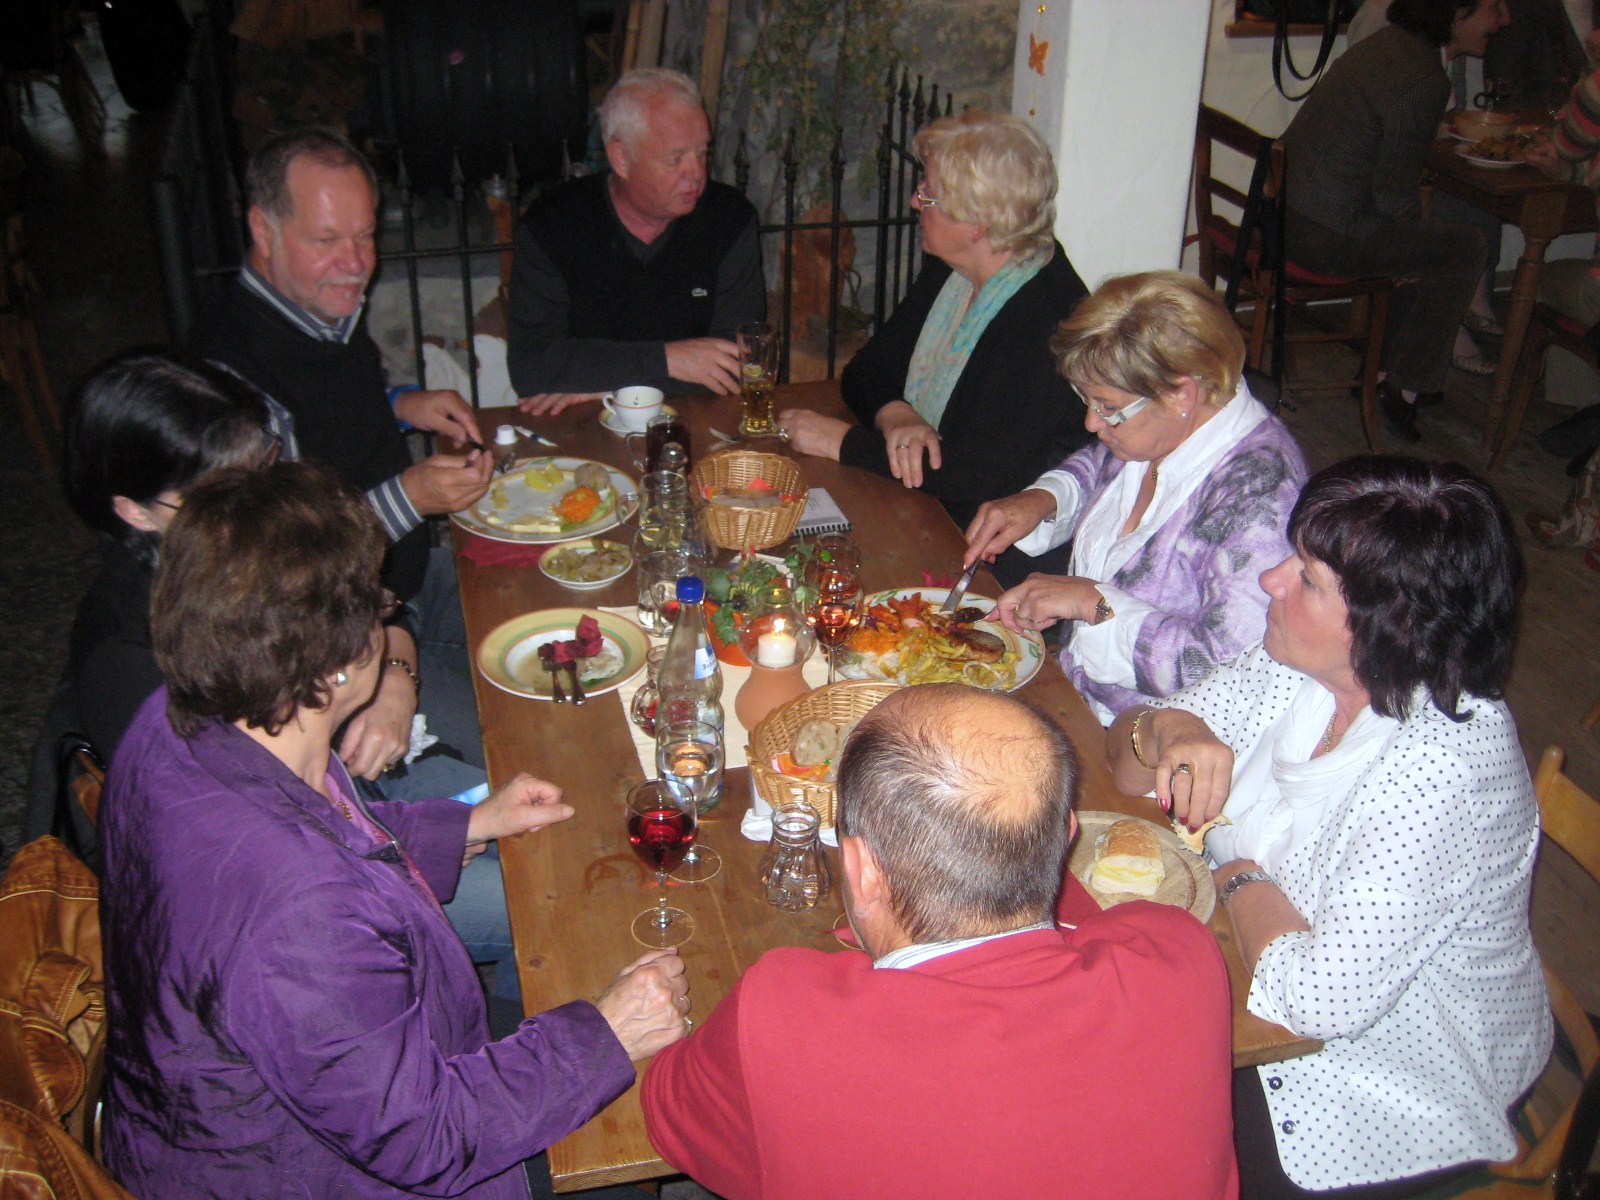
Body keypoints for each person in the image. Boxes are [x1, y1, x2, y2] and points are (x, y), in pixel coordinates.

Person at [99, 461, 691, 1199]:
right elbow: (425, 1137)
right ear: (337, 666)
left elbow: (329, 834)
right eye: (376, 608)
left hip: (262, 1104)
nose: (385, 623)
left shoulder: (190, 718)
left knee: (559, 922)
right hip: (310, 1174)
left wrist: (469, 822)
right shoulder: (301, 919)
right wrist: (606, 1035)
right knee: (652, 1096)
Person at [1107, 456, 1550, 1198]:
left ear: (1391, 624)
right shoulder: (1298, 665)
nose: (1270, 580)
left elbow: (1321, 1001)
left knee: (1132, 1128)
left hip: (1388, 1073)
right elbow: (1123, 764)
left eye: (1307, 578)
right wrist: (1168, 728)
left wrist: (1235, 873)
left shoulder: (1442, 769)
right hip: (1253, 973)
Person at [641, 683, 1237, 1200]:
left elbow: (671, 1111)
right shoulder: (1179, 956)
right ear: (1068, 837)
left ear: (861, 869)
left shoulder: (782, 1016)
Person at [51, 350, 520, 1003]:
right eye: (225, 490)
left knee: (541, 826)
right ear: (134, 510)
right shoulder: (134, 665)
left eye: (264, 468)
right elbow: (272, 862)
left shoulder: (237, 558)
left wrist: (392, 675)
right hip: (313, 880)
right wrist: (430, 836)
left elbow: (383, 607)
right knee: (528, 896)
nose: (263, 501)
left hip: (351, 795)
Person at [191, 128, 491, 784]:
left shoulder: (320, 312)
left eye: (365, 236)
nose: (356, 263)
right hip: (337, 649)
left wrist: (401, 404)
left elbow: (321, 416)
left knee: (561, 626)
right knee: (523, 745)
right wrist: (411, 497)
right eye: (327, 240)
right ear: (263, 230)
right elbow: (289, 570)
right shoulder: (232, 383)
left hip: (406, 593)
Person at [963, 271, 1306, 725]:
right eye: (1086, 399)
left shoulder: (1261, 499)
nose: (1091, 422)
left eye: (1107, 407)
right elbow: (1099, 465)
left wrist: (1092, 603)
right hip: (1075, 693)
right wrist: (1045, 498)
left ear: (1182, 393)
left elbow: (1227, 667)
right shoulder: (1162, 429)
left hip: (1148, 740)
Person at [780, 110, 1091, 587]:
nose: (914, 201)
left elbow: (969, 474)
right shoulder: (952, 272)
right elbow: (866, 371)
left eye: (928, 194)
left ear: (977, 222)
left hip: (994, 560)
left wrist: (839, 441)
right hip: (924, 507)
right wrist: (897, 415)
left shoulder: (1048, 320)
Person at [1277, 0, 1513, 443]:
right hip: (1320, 235)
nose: (1505, 19)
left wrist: (1409, 240)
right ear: (1455, 12)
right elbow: (1392, 195)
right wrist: (1408, 244)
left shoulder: (1387, 44)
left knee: (1425, 245)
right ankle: (1403, 387)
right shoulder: (1423, 77)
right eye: (1494, 7)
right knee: (1464, 248)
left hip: (1285, 214)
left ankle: (1386, 371)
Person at [507, 68, 765, 412]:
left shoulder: (729, 219)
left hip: (693, 418)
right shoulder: (554, 225)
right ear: (621, 159)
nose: (696, 173)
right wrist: (666, 360)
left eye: (702, 152)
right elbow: (530, 368)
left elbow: (739, 365)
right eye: (676, 158)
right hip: (584, 422)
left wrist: (602, 383)